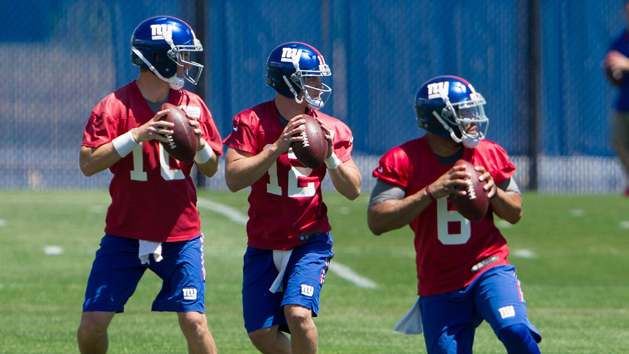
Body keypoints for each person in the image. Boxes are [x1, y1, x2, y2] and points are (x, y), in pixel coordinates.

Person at [77, 16, 222, 354]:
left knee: (195, 322)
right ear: (159, 58)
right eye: (181, 54)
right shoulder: (114, 107)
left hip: (180, 234)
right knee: (92, 324)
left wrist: (200, 145)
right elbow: (87, 164)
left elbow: (212, 168)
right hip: (125, 232)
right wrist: (135, 135)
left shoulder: (193, 105)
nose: (187, 62)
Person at [367, 75, 542, 354]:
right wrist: (430, 192)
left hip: (488, 266)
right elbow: (376, 219)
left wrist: (493, 192)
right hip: (439, 280)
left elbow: (515, 212)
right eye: (464, 112)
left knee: (515, 330)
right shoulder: (403, 159)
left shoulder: (489, 153)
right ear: (439, 120)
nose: (474, 118)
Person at [223, 41, 361, 354]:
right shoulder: (251, 121)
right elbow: (233, 179)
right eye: (311, 78)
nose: (318, 85)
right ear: (290, 81)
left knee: (298, 315)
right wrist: (275, 148)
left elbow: (353, 190)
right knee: (260, 333)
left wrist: (331, 158)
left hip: (309, 239)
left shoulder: (330, 127)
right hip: (263, 240)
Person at [603, 0, 629, 196]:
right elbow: (615, 76)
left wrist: (625, 64)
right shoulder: (620, 39)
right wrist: (612, 70)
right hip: (624, 103)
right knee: (618, 142)